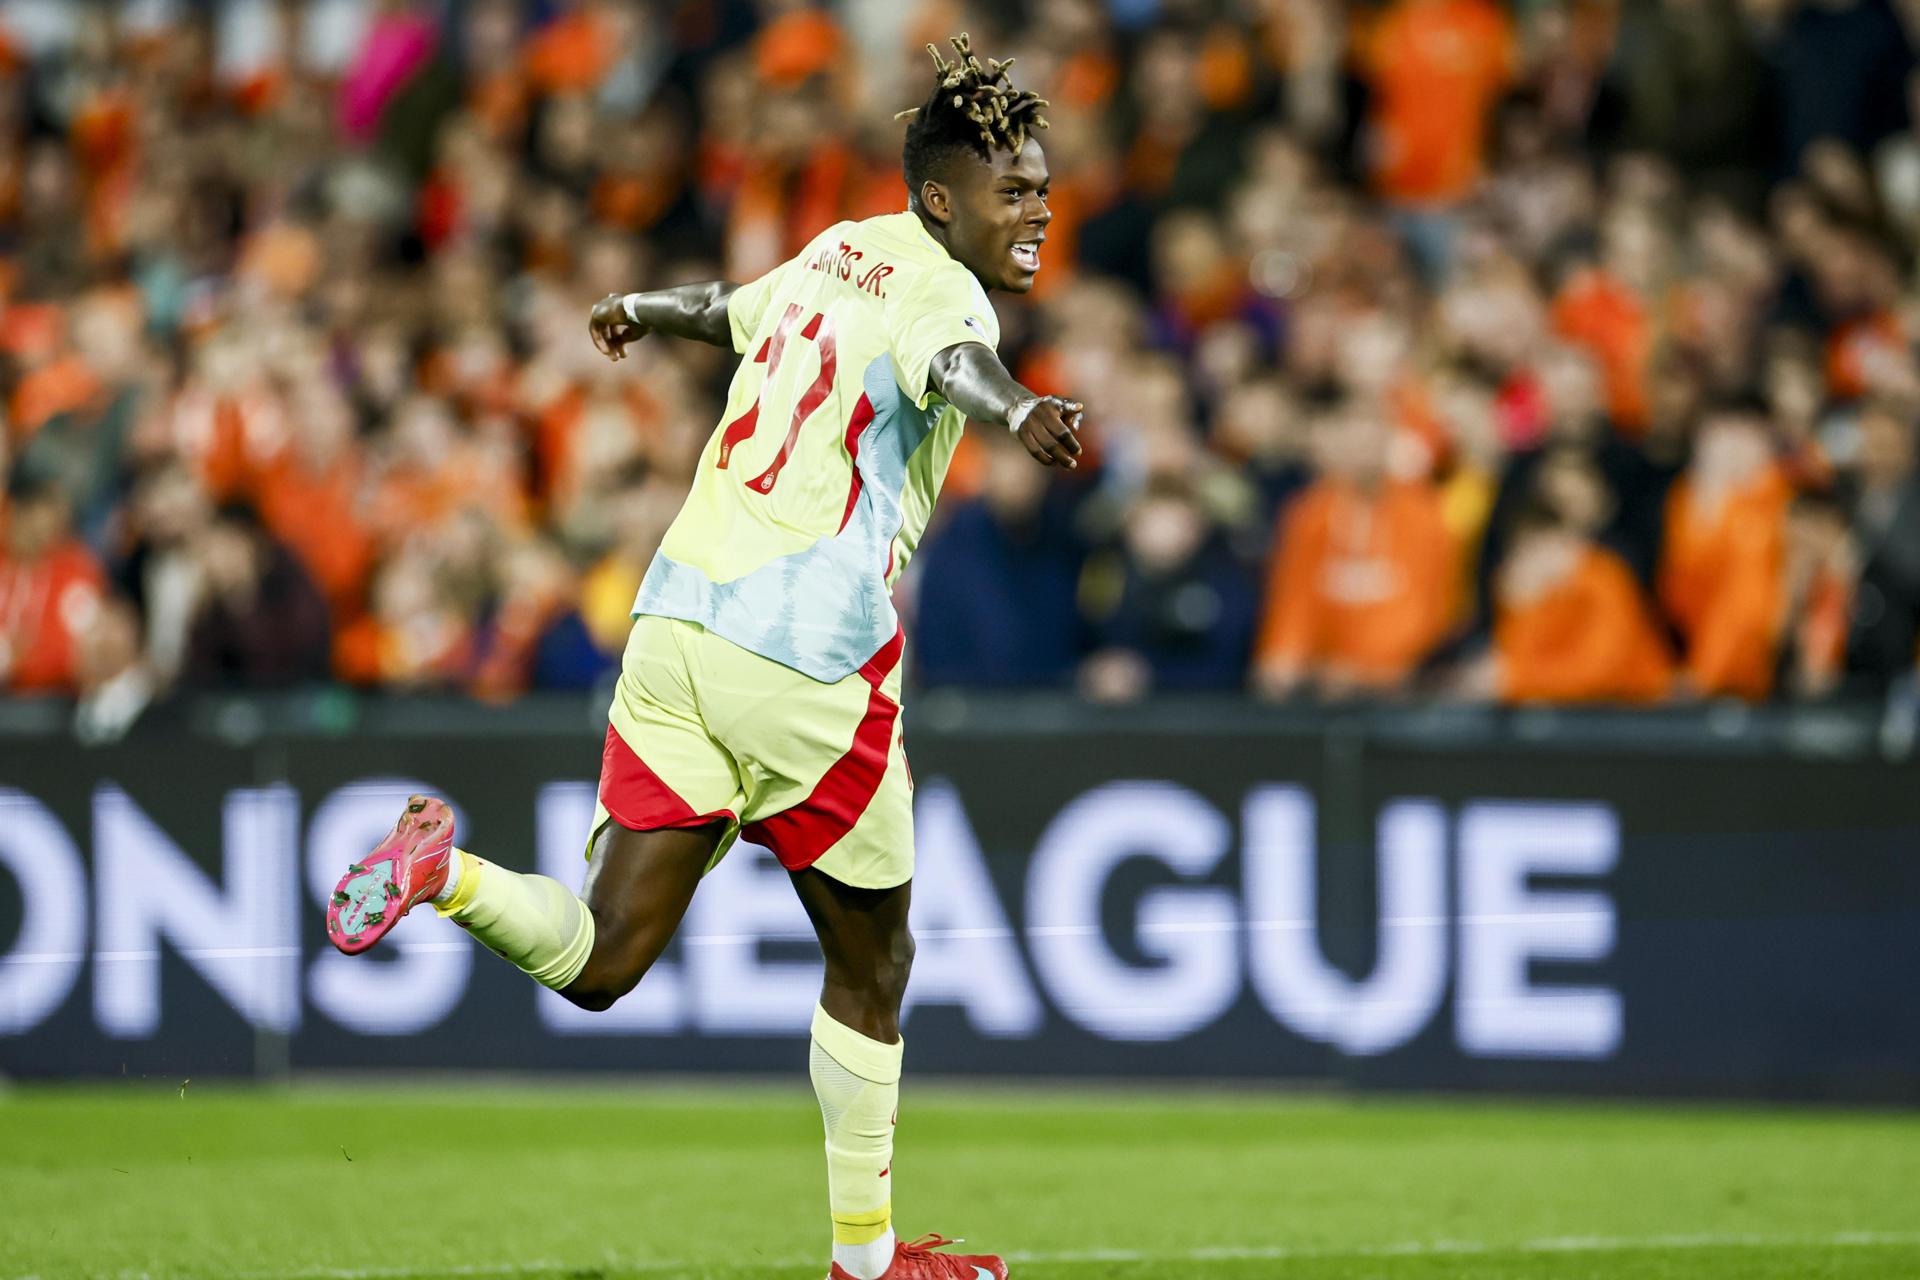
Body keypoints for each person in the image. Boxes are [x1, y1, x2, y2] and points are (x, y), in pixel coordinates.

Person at [322, 35, 1081, 1280]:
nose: (1039, 211)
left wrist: (635, 308)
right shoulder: (948, 293)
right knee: (874, 964)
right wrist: (1021, 408)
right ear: (943, 201)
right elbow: (957, 365)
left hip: (674, 623)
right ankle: (867, 1260)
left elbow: (724, 309)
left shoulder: (835, 249)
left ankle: (442, 869)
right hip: (802, 651)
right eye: (1014, 192)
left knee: (603, 955)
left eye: (1043, 188)